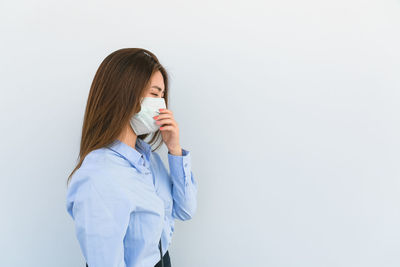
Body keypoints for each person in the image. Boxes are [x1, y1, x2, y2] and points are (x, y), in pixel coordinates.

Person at [65, 48, 198, 267]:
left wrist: (174, 149)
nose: (162, 104)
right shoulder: (98, 176)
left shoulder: (149, 160)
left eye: (163, 95)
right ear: (126, 94)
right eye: (155, 94)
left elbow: (185, 210)